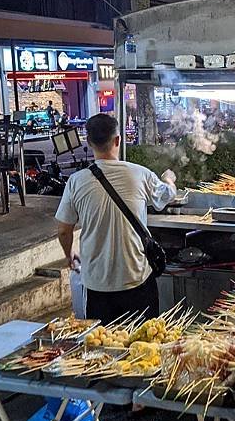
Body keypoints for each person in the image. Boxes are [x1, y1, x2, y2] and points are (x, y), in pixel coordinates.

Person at [55, 114, 177, 324]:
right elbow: (167, 195)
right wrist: (169, 180)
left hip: (96, 285)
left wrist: (69, 254)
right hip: (136, 279)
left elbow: (64, 231)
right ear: (118, 140)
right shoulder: (141, 174)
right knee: (145, 344)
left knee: (103, 346)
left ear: (89, 141)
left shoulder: (75, 182)